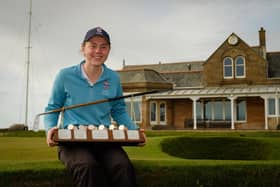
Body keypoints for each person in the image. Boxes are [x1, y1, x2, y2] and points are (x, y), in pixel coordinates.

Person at [44, 26, 144, 187]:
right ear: (83, 48)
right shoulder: (65, 75)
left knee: (122, 166)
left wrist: (135, 132)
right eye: (93, 46)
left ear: (109, 50)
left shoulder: (113, 78)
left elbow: (118, 110)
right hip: (72, 141)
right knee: (87, 166)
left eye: (103, 47)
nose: (98, 51)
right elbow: (52, 107)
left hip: (105, 140)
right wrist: (50, 129)